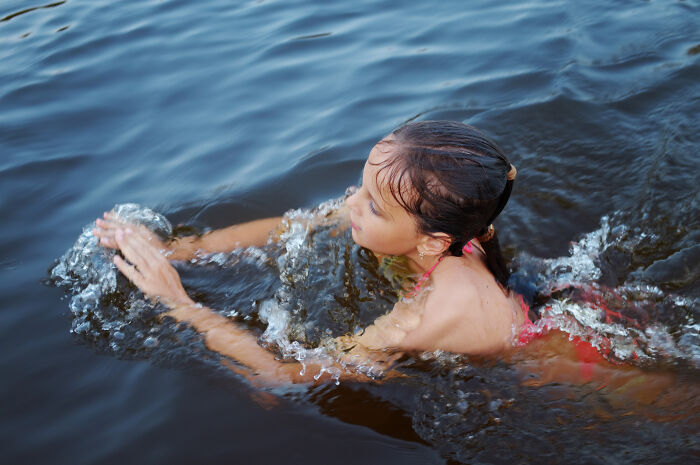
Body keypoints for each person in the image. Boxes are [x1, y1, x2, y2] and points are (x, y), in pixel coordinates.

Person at [93, 120, 527, 386]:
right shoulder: (449, 227)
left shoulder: (429, 314)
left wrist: (179, 304)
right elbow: (294, 226)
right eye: (362, 186)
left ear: (433, 241)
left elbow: (278, 377)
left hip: (544, 372)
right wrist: (181, 250)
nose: (350, 203)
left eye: (372, 206)